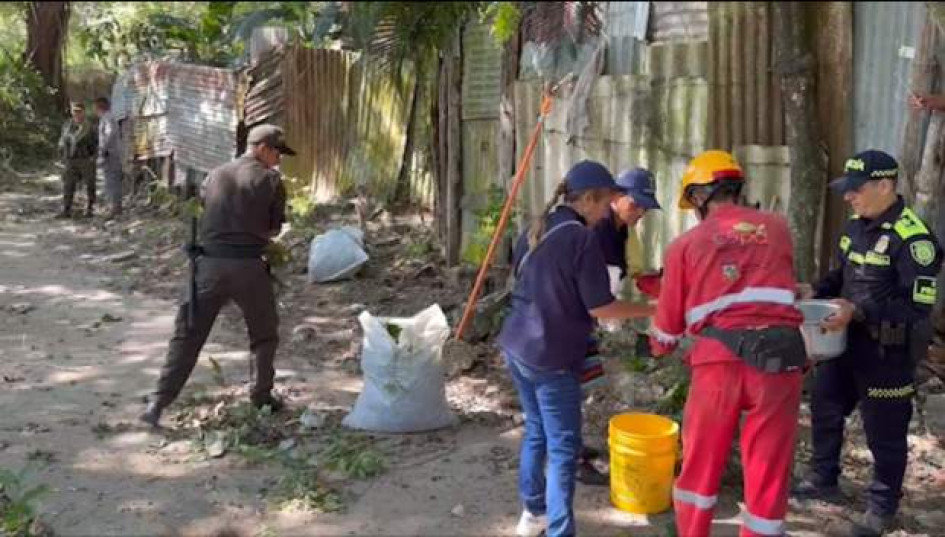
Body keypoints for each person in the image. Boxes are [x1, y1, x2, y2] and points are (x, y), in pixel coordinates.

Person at [649, 150, 807, 537]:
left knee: (700, 466)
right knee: (769, 473)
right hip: (780, 361)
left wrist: (659, 346)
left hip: (718, 365)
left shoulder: (686, 244)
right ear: (737, 187)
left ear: (700, 196)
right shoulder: (779, 227)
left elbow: (668, 326)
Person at [498, 160, 655, 537]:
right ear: (587, 200)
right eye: (605, 204)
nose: (606, 213)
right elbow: (601, 307)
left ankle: (532, 513)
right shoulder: (581, 238)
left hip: (516, 346)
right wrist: (654, 309)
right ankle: (559, 530)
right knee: (564, 450)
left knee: (537, 431)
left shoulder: (538, 227)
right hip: (550, 357)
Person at [792, 150, 943, 537]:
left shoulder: (914, 240)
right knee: (825, 406)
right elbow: (839, 278)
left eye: (856, 190)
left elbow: (917, 306)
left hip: (887, 352)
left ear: (885, 186)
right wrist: (811, 291)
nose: (849, 197)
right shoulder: (854, 228)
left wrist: (857, 310)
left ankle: (882, 507)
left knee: (885, 433)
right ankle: (823, 478)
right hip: (843, 343)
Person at [140, 124, 296, 427]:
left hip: (208, 267)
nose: (279, 159)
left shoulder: (215, 175)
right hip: (248, 268)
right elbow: (274, 229)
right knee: (263, 335)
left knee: (187, 335)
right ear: (263, 148)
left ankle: (158, 403)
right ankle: (261, 396)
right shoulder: (270, 181)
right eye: (277, 152)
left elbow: (203, 213)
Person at [575, 166, 663, 487]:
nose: (639, 212)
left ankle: (571, 448)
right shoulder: (600, 232)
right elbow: (603, 302)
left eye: (643, 207)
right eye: (635, 204)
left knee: (580, 386)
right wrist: (652, 309)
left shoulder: (620, 229)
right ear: (615, 198)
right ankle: (571, 459)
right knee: (571, 388)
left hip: (586, 314)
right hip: (576, 316)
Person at [57, 102, 98, 218]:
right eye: (75, 111)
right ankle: (66, 209)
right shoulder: (67, 125)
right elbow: (62, 141)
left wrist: (93, 157)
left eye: (79, 111)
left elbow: (96, 143)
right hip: (70, 159)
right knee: (68, 185)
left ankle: (90, 209)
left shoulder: (90, 127)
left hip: (86, 158)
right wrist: (62, 157)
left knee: (89, 184)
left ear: (83, 112)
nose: (77, 114)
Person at [94, 97, 123, 219]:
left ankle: (115, 208)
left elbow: (110, 134)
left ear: (99, 107)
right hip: (110, 153)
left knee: (112, 181)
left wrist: (103, 149)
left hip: (111, 154)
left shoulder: (108, 118)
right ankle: (113, 206)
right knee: (109, 181)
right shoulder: (106, 118)